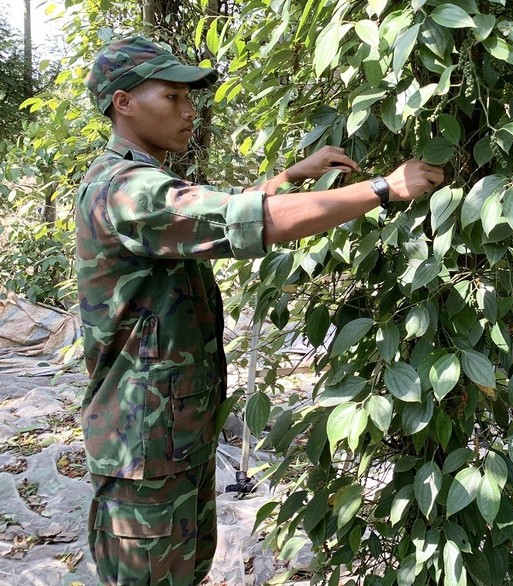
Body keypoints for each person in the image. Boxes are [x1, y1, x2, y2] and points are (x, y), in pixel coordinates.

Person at [76, 35, 444, 585]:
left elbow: (211, 213)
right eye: (172, 96)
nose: (188, 109)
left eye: (188, 97)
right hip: (143, 449)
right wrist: (383, 188)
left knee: (182, 571)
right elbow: (247, 221)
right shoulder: (124, 190)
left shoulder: (144, 184)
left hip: (171, 437)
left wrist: (292, 175)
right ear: (123, 102)